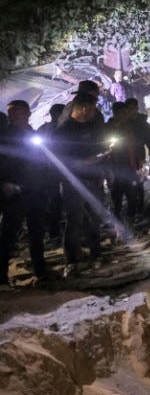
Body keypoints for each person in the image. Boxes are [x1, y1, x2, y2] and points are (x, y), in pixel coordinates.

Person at [55, 93, 109, 275]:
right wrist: (84, 163)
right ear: (84, 108)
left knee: (94, 220)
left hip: (93, 180)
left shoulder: (92, 128)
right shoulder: (63, 131)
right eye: (93, 109)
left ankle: (96, 255)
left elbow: (97, 150)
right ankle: (71, 260)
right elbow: (59, 161)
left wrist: (101, 168)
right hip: (72, 183)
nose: (95, 112)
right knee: (74, 222)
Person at [0, 100, 48, 288]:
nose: (15, 117)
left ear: (28, 113)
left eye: (18, 113)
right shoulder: (4, 138)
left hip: (36, 191)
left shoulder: (35, 137)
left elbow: (44, 163)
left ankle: (41, 272)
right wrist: (3, 183)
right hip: (14, 193)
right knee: (9, 235)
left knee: (37, 234)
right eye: (11, 113)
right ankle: (1, 277)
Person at [105, 102, 138, 224]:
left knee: (132, 195)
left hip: (129, 166)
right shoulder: (107, 128)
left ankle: (131, 221)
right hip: (115, 167)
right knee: (116, 196)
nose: (126, 115)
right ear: (116, 113)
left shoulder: (128, 127)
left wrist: (137, 163)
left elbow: (133, 146)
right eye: (124, 113)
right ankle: (117, 222)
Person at [38, 103, 66, 244]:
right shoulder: (44, 130)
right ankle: (55, 233)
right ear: (56, 114)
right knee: (54, 202)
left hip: (66, 169)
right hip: (50, 171)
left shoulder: (69, 128)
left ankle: (69, 232)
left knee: (70, 201)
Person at [125, 98, 150, 217]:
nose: (131, 112)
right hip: (123, 161)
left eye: (133, 109)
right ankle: (130, 213)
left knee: (138, 186)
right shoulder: (122, 123)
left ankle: (138, 212)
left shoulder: (143, 125)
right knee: (127, 187)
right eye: (129, 109)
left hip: (138, 161)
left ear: (137, 108)